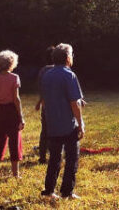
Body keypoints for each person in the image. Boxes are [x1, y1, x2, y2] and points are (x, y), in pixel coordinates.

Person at [39, 43, 85, 199]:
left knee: (54, 158)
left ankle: (49, 191)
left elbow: (45, 99)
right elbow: (75, 103)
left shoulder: (47, 75)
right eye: (72, 54)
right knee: (72, 158)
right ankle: (67, 191)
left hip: (52, 123)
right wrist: (80, 123)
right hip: (68, 124)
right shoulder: (69, 75)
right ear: (67, 58)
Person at [0, 50, 24, 178]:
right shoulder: (14, 78)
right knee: (14, 141)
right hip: (11, 111)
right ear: (12, 63)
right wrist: (21, 117)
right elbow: (16, 99)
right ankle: (16, 173)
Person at [35, 46, 55, 164]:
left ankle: (42, 157)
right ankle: (55, 155)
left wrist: (40, 101)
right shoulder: (63, 70)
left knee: (45, 131)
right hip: (59, 106)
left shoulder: (43, 71)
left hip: (46, 105)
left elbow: (41, 89)